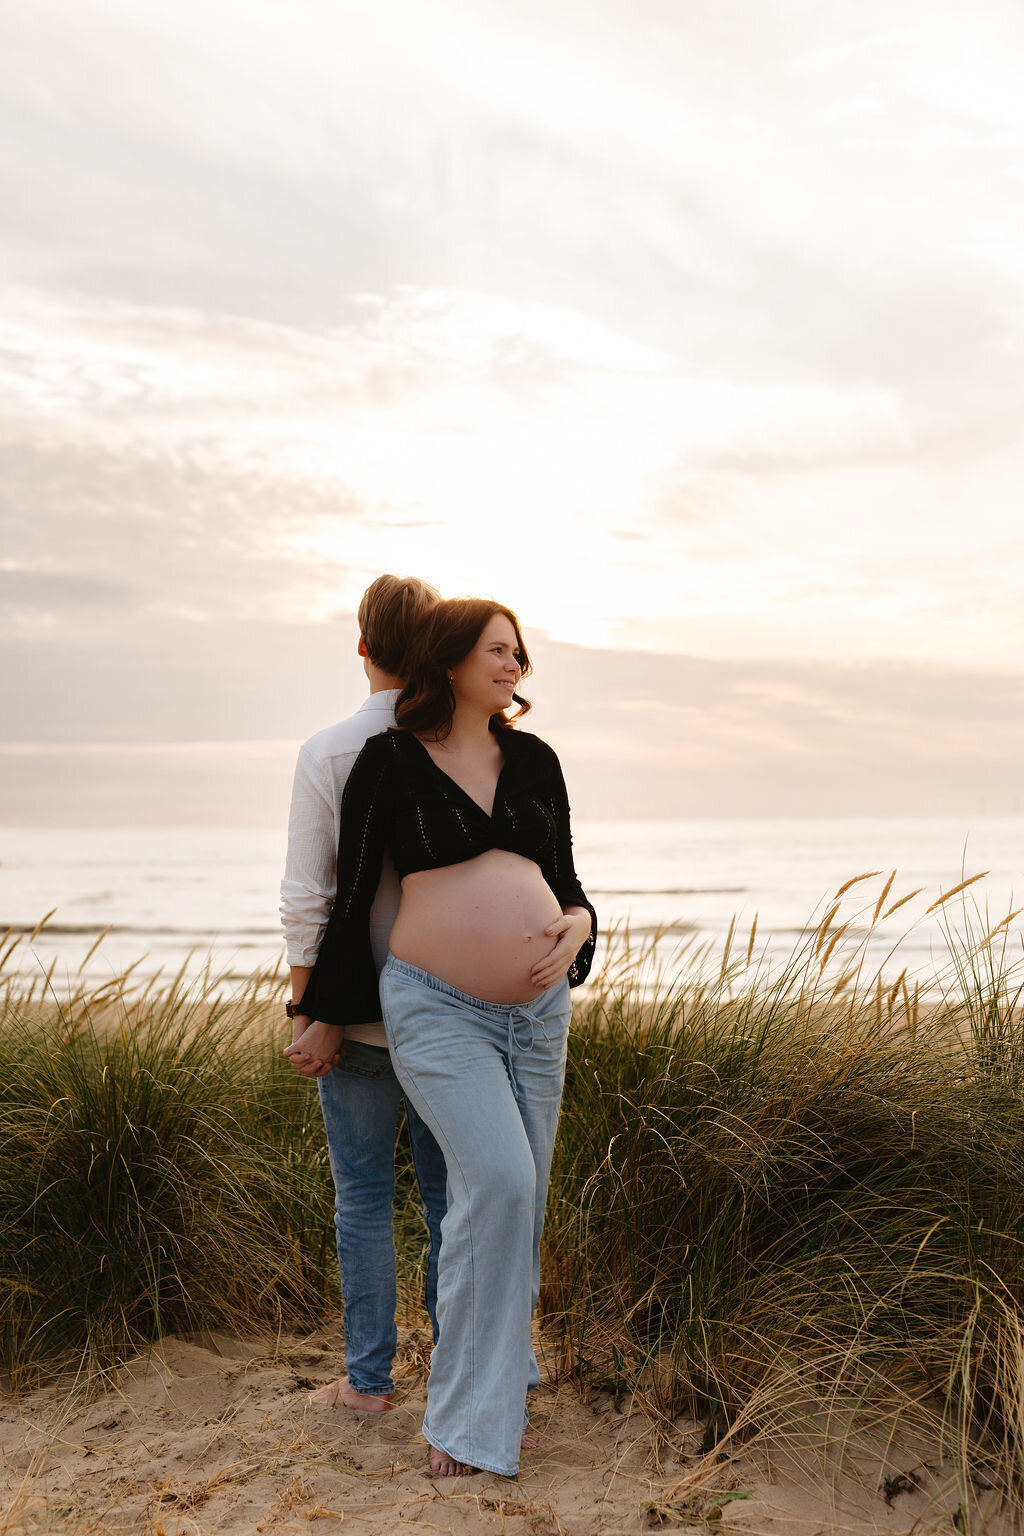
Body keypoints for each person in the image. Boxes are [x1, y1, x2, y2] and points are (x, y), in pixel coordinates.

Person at [296, 597, 597, 1478]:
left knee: (520, 1204)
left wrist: (576, 931)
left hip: (539, 1018)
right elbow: (352, 904)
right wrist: (321, 1014)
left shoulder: (536, 760)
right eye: (498, 651)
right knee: (496, 1184)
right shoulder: (387, 762)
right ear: (452, 661)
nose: (515, 667)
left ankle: (496, 1393)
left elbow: (570, 883)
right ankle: (461, 1424)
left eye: (519, 653)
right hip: (434, 1008)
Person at [279, 574, 449, 1413]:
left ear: (361, 646)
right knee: (456, 1201)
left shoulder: (330, 750)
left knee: (365, 1199)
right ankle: (460, 1376)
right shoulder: (461, 746)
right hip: (452, 1013)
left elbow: (307, 898)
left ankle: (369, 1383)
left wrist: (309, 1010)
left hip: (356, 1013)